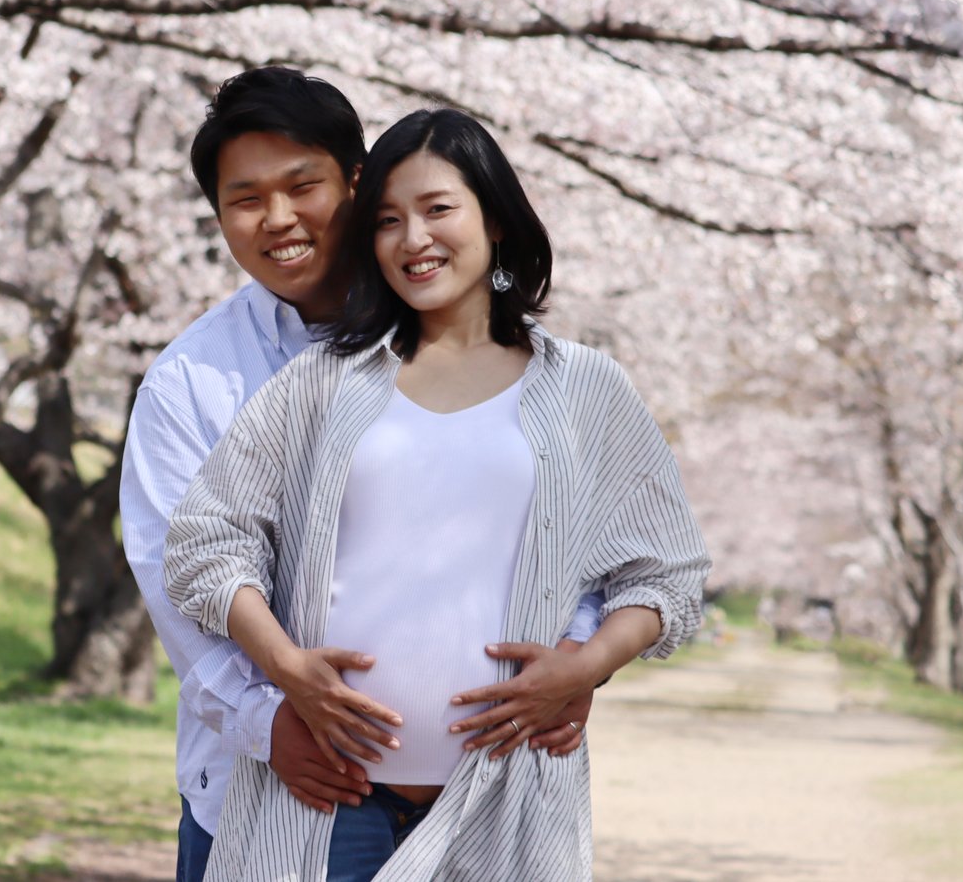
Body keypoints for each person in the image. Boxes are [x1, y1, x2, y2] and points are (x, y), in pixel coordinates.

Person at [163, 107, 710, 882]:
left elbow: (667, 572)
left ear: (495, 219)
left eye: (438, 209)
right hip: (328, 800)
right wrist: (286, 666)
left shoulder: (585, 387)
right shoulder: (322, 383)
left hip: (505, 797)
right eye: (387, 219)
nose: (413, 238)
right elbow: (204, 543)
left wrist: (584, 665)